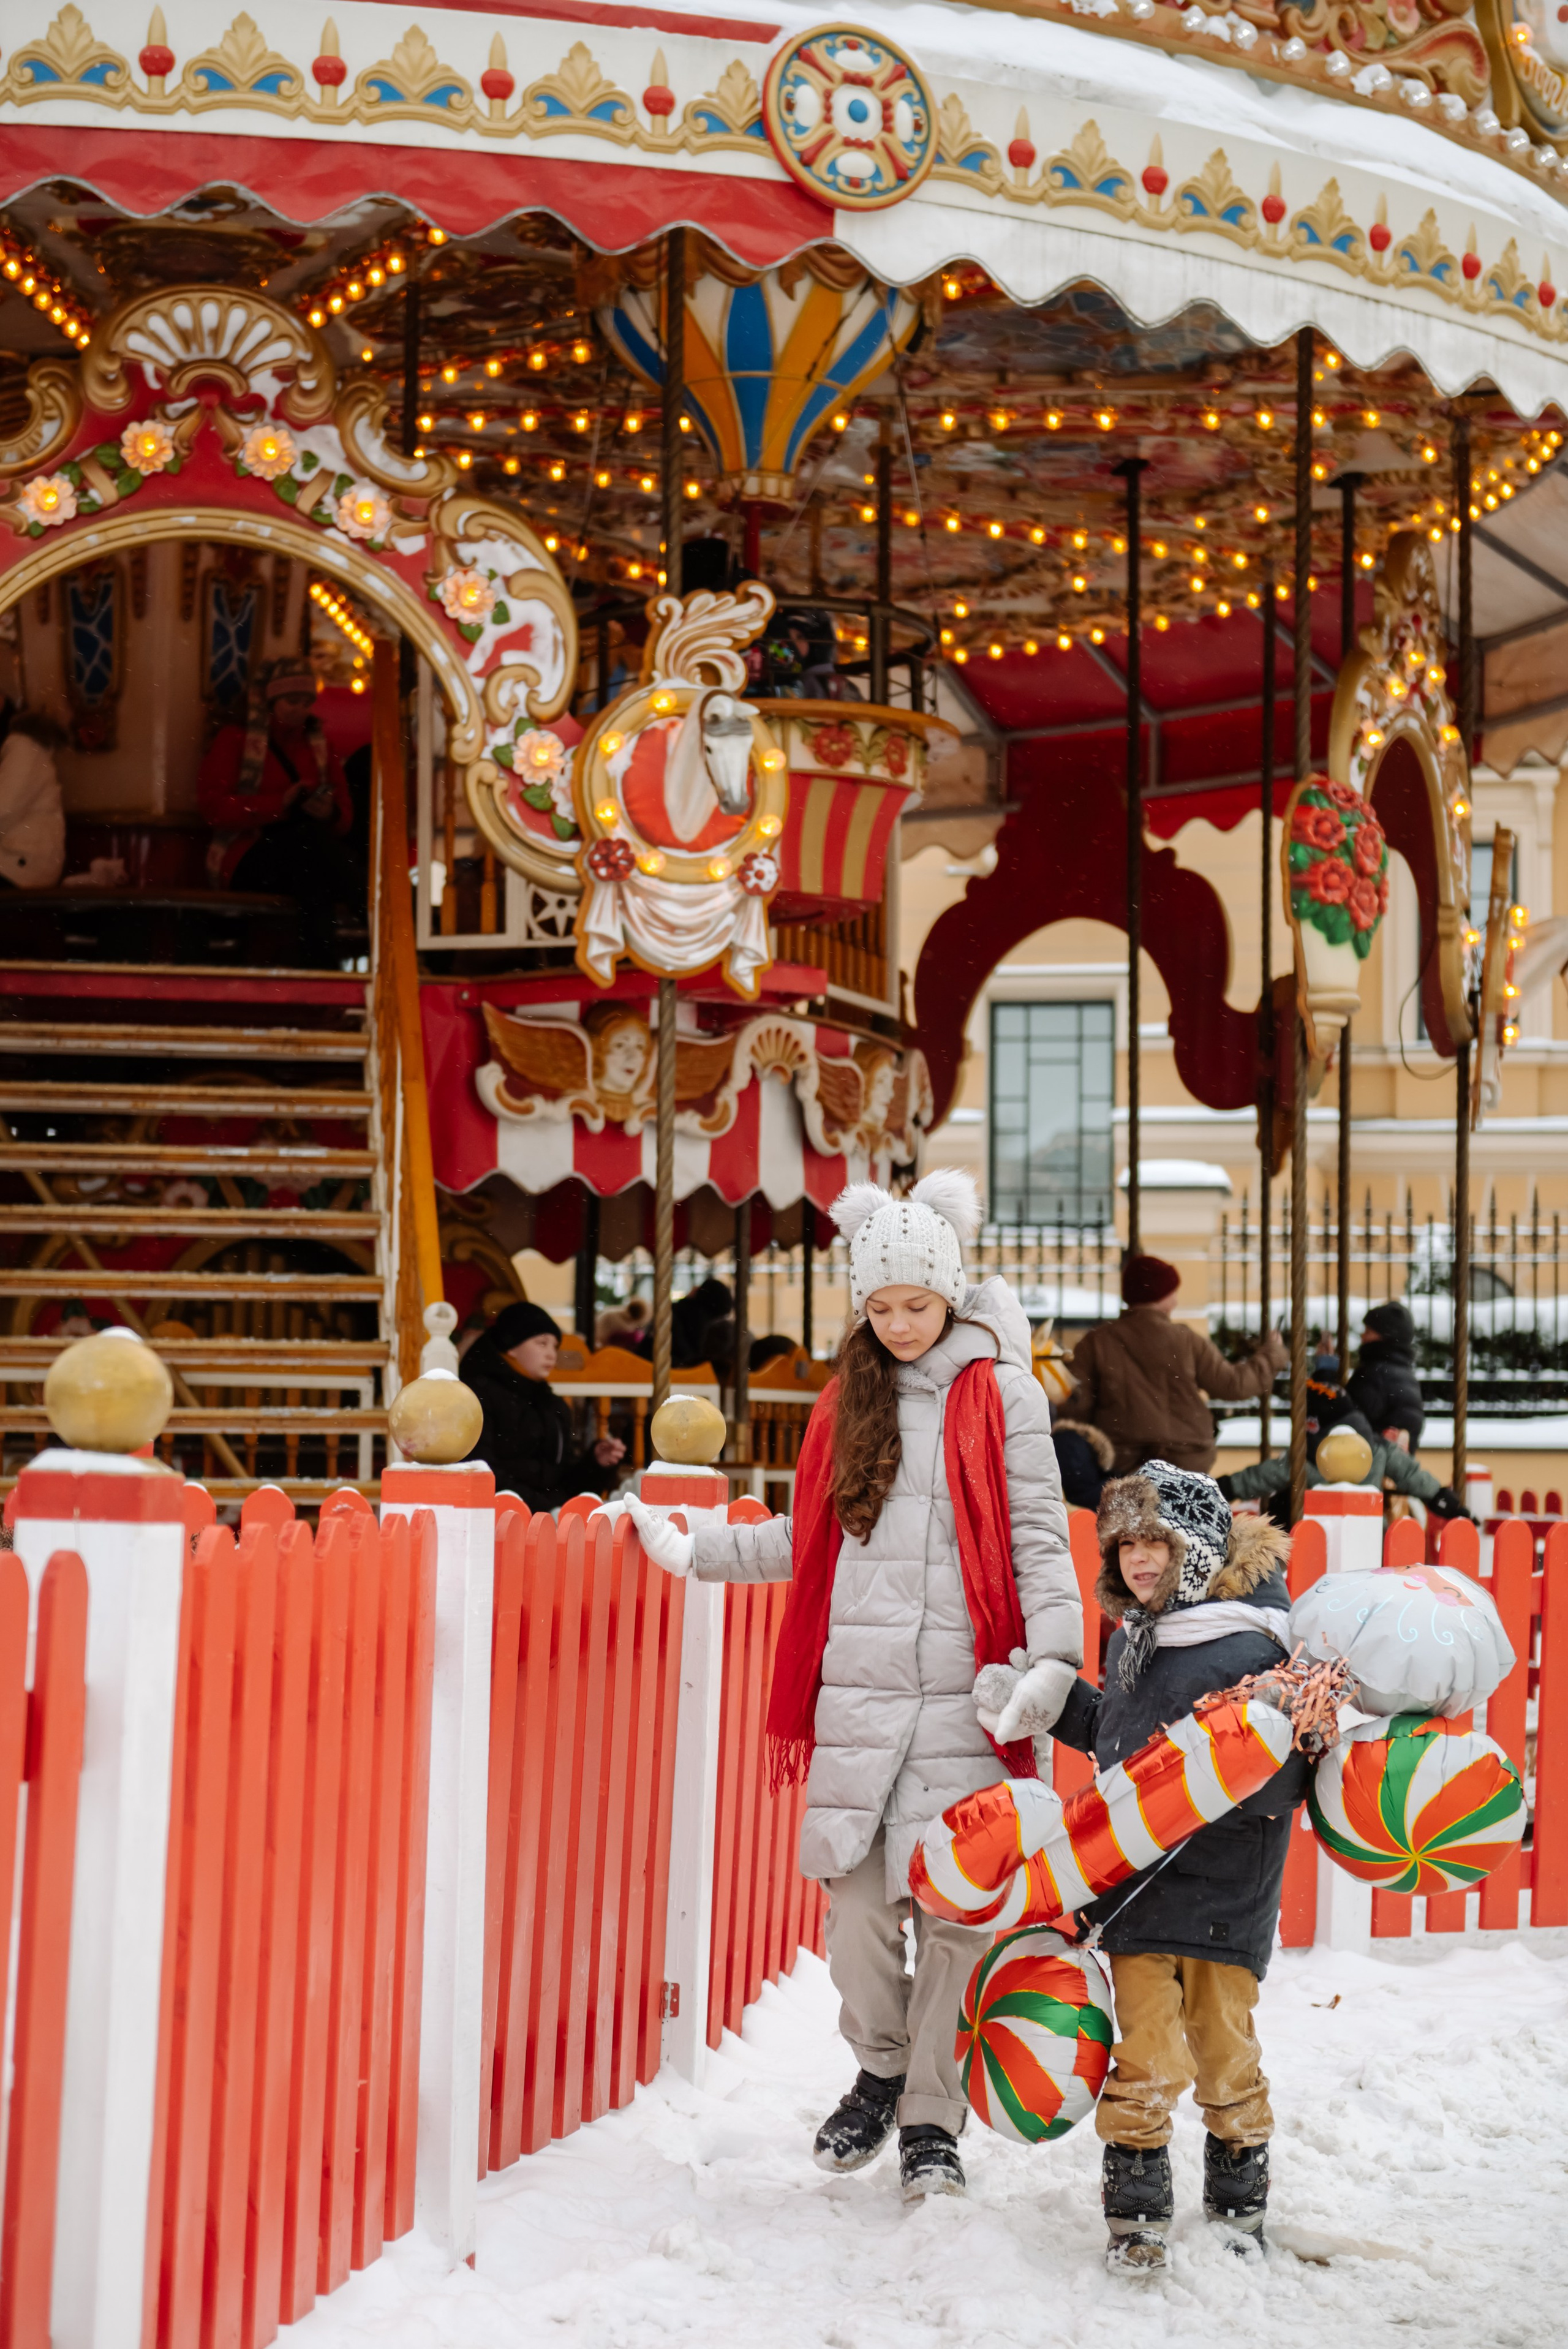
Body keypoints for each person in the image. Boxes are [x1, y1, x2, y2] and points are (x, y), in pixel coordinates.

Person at [616, 1172, 1082, 2201]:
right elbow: (807, 1539)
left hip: (972, 1701)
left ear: (951, 1296)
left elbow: (1043, 1540)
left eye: (917, 1306)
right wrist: (696, 1550)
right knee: (860, 1919)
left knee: (958, 1926)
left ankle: (931, 2118)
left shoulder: (1002, 1394)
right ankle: (878, 2066)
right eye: (881, 1308)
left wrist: (1053, 1659)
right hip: (862, 1702)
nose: (901, 1325)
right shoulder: (846, 1402)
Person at [1051, 1460, 1306, 2272]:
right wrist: (1060, 1703)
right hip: (1139, 1887)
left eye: (1156, 1540)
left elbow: (1283, 1768)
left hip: (1229, 1882)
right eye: (1124, 1543)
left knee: (1225, 2046)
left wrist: (1227, 1763)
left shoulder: (1252, 1643)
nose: (1140, 1558)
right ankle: (1135, 2202)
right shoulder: (1138, 1641)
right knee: (1148, 2049)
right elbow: (1124, 1742)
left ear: (1194, 1545)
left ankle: (1238, 2190)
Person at [1064, 1254, 1286, 1475]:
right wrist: (1271, 1355)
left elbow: (1076, 1405)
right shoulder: (1186, 1340)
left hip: (1121, 1460)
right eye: (1173, 1292)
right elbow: (1233, 1385)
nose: (1177, 1300)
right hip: (1187, 1457)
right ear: (1162, 1295)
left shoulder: (1097, 1342)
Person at [198, 657, 357, 965]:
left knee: (314, 877)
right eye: (291, 702)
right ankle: (371, 915)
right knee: (313, 855)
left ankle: (319, 969)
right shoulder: (236, 740)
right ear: (271, 701)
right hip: (247, 852)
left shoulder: (320, 746)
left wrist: (328, 813)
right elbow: (212, 808)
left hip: (304, 852)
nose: (300, 710)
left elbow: (345, 814)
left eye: (306, 702)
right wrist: (278, 804)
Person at [1216, 1374, 1470, 1525]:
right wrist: (1438, 1496)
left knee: (1281, 1503)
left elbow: (1262, 1476)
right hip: (1370, 1539)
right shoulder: (1377, 1449)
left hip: (1319, 1539)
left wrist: (1225, 1487)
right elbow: (1410, 1474)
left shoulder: (1306, 1462)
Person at [460, 1300, 625, 1511]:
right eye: (542, 1343)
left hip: (548, 1518)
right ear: (512, 1346)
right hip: (499, 1519)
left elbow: (564, 1480)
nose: (551, 1355)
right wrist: (545, 1510)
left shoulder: (552, 1404)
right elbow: (482, 1472)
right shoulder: (477, 1396)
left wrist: (596, 1464)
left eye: (555, 1347)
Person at [0, 702, 66, 889]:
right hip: (23, 860)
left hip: (19, 864)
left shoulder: (24, 747)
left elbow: (4, 809)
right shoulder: (27, 747)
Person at [1346, 1299, 1425, 1450]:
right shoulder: (1404, 1372)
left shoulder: (1374, 1374)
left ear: (1385, 1337)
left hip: (1369, 1462)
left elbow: (1349, 1420)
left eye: (1368, 1332)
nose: (1363, 1337)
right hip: (1392, 1463)